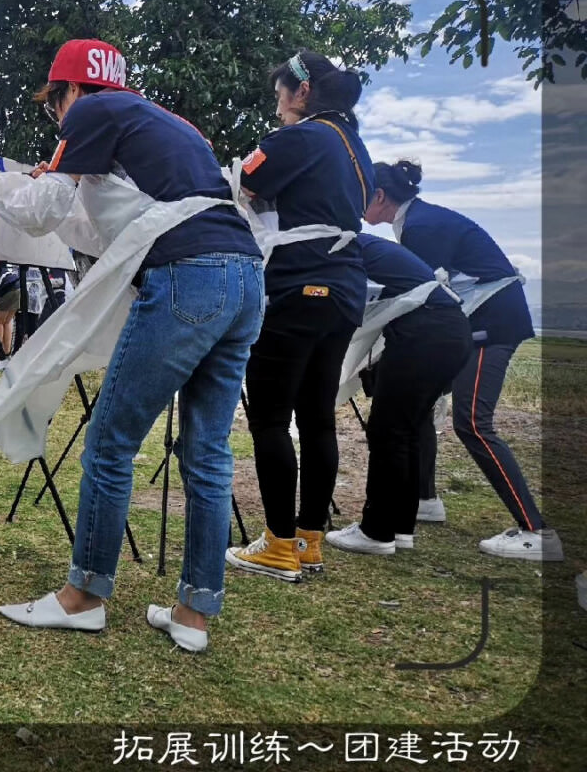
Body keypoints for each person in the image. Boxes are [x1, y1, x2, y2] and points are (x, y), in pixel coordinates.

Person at [0, 37, 263, 652]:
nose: (57, 119)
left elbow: (40, 213)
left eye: (53, 104)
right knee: (208, 453)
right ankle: (194, 614)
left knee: (111, 443)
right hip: (246, 276)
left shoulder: (91, 112)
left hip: (188, 275)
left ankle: (83, 598)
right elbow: (109, 226)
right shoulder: (168, 125)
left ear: (70, 90)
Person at [364, 159, 562, 561]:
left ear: (380, 196)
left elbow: (421, 293)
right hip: (471, 322)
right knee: (417, 404)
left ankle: (537, 532)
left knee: (472, 421)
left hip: (491, 322)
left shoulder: (421, 227)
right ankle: (424, 499)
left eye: (360, 195)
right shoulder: (416, 220)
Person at [226, 50, 374, 584]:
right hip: (346, 287)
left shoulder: (303, 137)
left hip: (299, 284)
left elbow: (240, 183)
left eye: (280, 96)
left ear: (302, 91)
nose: (277, 108)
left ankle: (278, 545)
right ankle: (309, 540)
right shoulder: (355, 147)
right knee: (316, 418)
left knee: (270, 418)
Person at [325, 233, 473, 556]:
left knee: (387, 431)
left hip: (424, 332)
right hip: (452, 329)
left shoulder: (337, 245)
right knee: (409, 429)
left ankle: (376, 531)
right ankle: (400, 528)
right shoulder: (364, 243)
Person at [0, 267, 21, 358]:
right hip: (18, 287)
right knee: (7, 321)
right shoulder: (6, 265)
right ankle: (6, 351)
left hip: (6, 288)